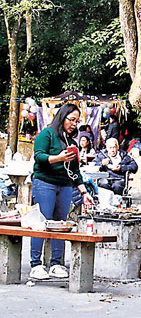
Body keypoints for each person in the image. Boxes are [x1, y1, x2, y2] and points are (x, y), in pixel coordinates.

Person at [29, 103, 95, 280]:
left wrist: (84, 192)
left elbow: (75, 172)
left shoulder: (72, 142)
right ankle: (36, 264)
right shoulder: (47, 134)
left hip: (65, 185)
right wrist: (59, 158)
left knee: (60, 223)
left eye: (77, 120)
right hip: (45, 182)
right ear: (62, 117)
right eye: (71, 119)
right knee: (41, 222)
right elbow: (39, 156)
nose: (74, 124)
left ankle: (56, 263)